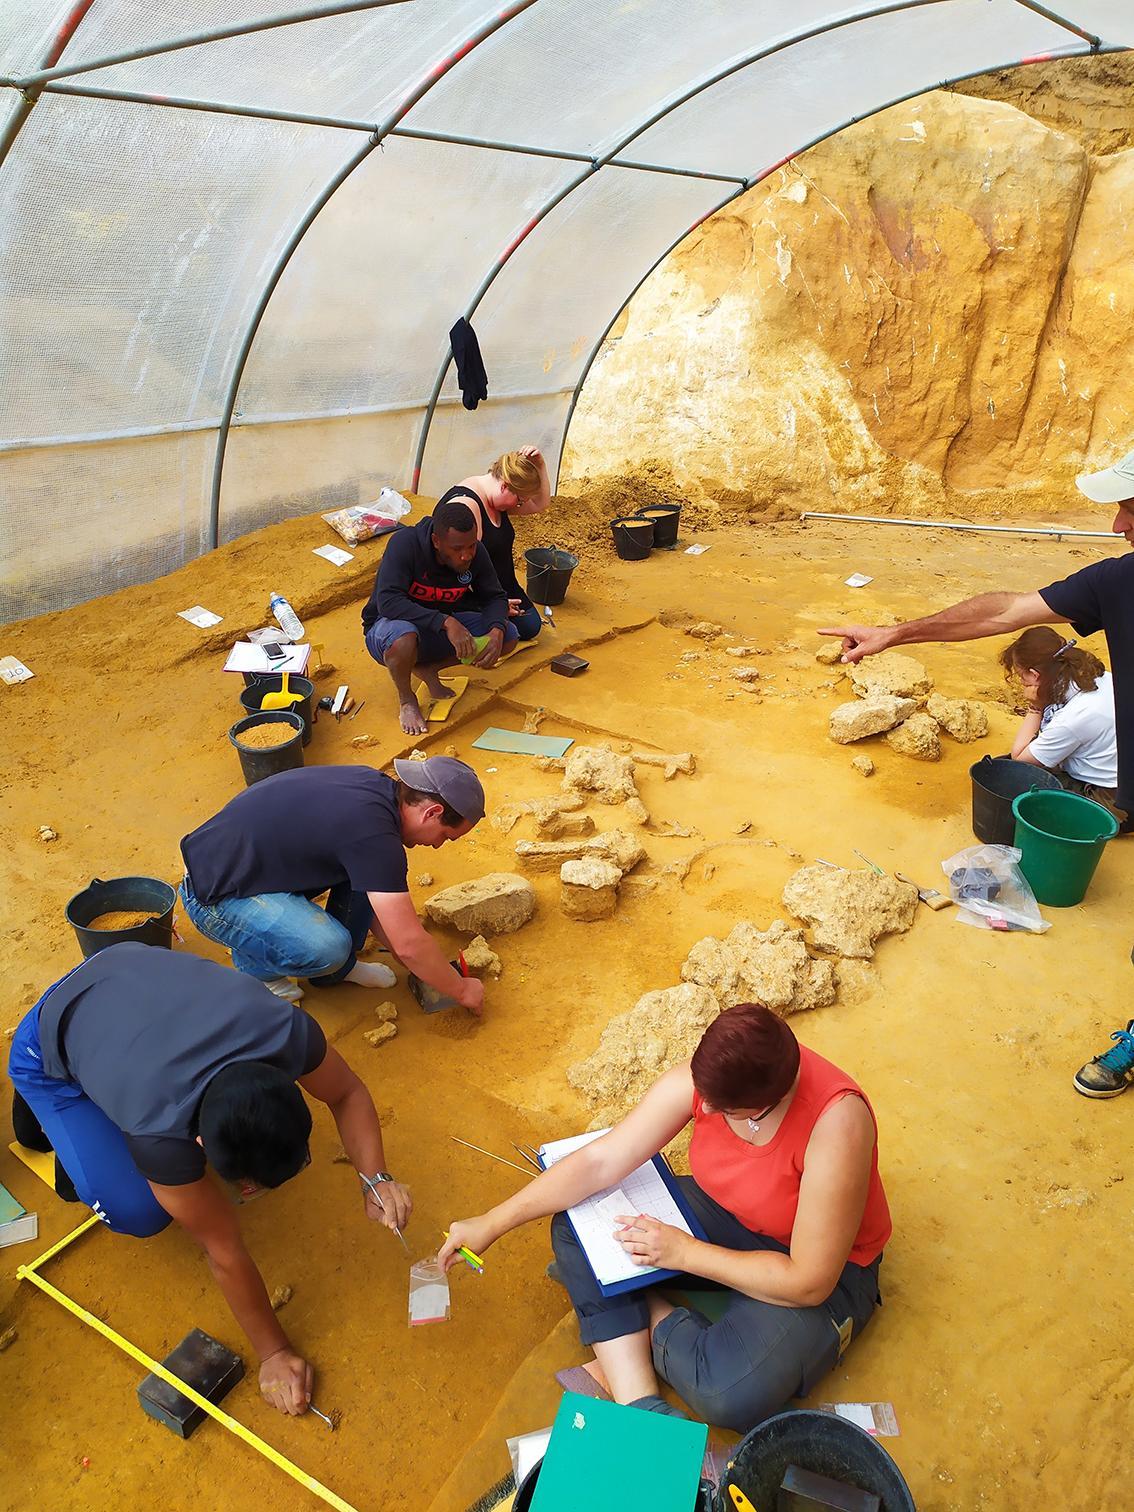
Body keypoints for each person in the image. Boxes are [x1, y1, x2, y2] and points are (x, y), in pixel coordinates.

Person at [820, 444, 1134, 1099]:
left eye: (1129, 508)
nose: (1118, 526)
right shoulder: (1118, 581)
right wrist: (893, 632)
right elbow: (1004, 611)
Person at [439, 1004, 890, 1431]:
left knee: (729, 1392)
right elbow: (602, 1161)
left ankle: (635, 1301)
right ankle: (640, 1404)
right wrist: (491, 1223)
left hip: (821, 1269)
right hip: (729, 1217)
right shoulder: (725, 1071)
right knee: (578, 1222)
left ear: (762, 1104)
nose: (705, 1110)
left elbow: (808, 1281)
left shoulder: (837, 1126)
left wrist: (683, 1252)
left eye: (723, 1110)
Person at [8, 944, 411, 1417]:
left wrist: (376, 1178)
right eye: (249, 1186)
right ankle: (65, 1097)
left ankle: (97, 1065)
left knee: (149, 1127)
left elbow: (346, 1092)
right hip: (52, 1032)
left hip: (127, 976)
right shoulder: (161, 1133)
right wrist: (274, 1353)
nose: (249, 1194)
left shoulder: (285, 1032)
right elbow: (223, 1252)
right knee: (138, 1210)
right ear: (197, 1144)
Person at [180, 757, 485, 1016]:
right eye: (445, 836)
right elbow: (408, 943)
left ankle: (337, 971)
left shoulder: (375, 791)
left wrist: (420, 965)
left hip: (246, 865)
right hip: (214, 893)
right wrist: (460, 989)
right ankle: (261, 975)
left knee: (374, 879)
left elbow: (388, 918)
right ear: (431, 812)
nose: (437, 846)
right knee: (327, 947)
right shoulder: (374, 836)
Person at [362, 498, 517, 735]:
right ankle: (407, 700)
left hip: (434, 631)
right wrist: (445, 621)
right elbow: (388, 602)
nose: (466, 555)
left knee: (509, 636)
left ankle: (428, 667)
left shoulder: (475, 553)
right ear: (436, 541)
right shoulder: (405, 545)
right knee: (404, 637)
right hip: (388, 630)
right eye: (457, 549)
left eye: (471, 546)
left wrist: (496, 629)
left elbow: (494, 597)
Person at [999, 627, 1124, 823]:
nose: (1021, 681)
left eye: (1021, 675)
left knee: (1022, 784)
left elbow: (1020, 760)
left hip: (1113, 802)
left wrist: (1035, 708)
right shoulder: (1099, 677)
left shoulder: (1072, 719)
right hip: (1125, 779)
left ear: (1034, 675)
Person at [436, 447, 553, 643]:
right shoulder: (468, 506)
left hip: (498, 586)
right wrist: (491, 605)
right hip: (466, 594)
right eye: (519, 501)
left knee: (530, 625)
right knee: (516, 631)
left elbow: (540, 503)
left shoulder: (497, 498)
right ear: (505, 486)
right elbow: (457, 570)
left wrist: (540, 465)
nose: (518, 506)